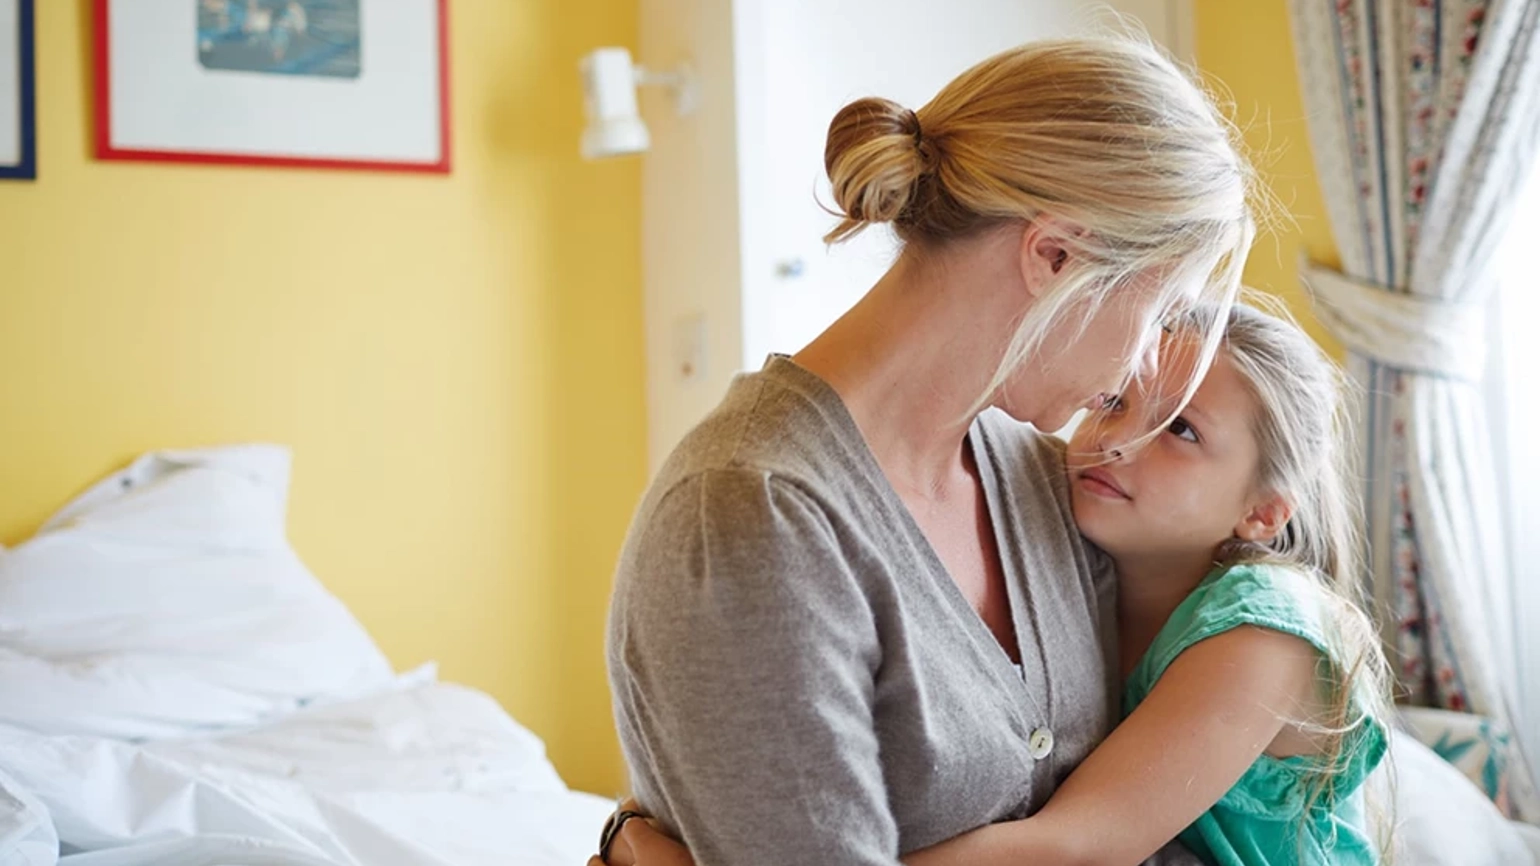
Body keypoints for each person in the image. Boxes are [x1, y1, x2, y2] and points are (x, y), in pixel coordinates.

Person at [604, 33, 1257, 866]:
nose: (1144, 364)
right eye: (1160, 308)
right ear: (1053, 256)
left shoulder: (1034, 474)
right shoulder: (752, 515)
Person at [601, 303, 1392, 866]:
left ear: (1263, 513)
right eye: (1114, 400)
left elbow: (1077, 844)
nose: (1116, 440)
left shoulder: (1266, 635)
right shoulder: (1071, 555)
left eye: (1181, 430)